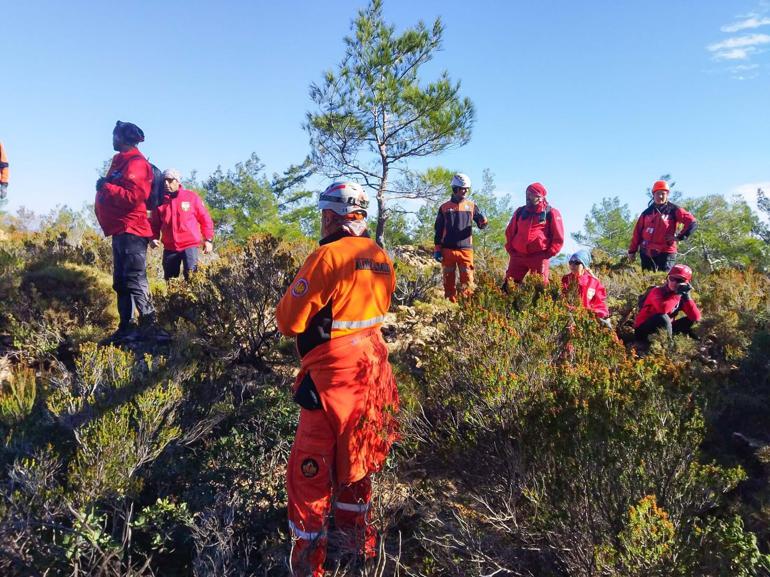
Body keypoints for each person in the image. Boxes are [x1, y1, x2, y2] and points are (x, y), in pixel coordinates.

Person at [275, 181, 399, 576]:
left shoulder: (326, 257)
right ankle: (358, 549)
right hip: (373, 374)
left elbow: (287, 321)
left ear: (331, 215)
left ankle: (310, 566)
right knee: (357, 464)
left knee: (309, 476)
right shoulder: (380, 256)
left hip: (330, 383)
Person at [95, 121, 168, 344]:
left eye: (114, 135)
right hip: (120, 229)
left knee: (135, 279)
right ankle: (126, 327)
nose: (112, 139)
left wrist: (105, 188)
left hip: (133, 229)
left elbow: (133, 197)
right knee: (121, 281)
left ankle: (150, 326)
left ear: (122, 138)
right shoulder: (120, 161)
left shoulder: (136, 164)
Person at [150, 168, 214, 280]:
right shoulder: (160, 202)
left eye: (170, 180)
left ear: (177, 181)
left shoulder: (191, 197)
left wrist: (208, 240)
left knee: (192, 279)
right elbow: (154, 224)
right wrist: (153, 238)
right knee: (170, 282)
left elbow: (205, 219)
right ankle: (173, 298)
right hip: (170, 247)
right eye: (164, 181)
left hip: (189, 246)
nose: (166, 183)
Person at [433, 173, 488, 301]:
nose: (465, 191)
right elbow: (438, 230)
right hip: (447, 250)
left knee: (468, 281)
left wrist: (483, 221)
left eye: (467, 189)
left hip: (466, 251)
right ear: (455, 188)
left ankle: (466, 307)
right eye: (462, 189)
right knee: (448, 281)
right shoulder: (444, 207)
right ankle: (449, 306)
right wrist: (437, 249)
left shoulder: (472, 206)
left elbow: (481, 225)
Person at [627, 180, 697, 272]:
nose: (660, 196)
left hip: (666, 252)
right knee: (648, 282)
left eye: (663, 193)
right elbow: (637, 233)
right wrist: (632, 251)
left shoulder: (673, 209)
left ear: (667, 194)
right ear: (653, 194)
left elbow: (692, 222)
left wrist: (679, 237)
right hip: (646, 252)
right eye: (657, 193)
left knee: (663, 281)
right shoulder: (646, 213)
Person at [503, 182, 564, 285]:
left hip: (539, 257)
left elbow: (558, 237)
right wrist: (511, 250)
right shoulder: (520, 212)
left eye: (532, 195)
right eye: (527, 194)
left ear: (540, 197)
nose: (528, 197)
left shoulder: (551, 213)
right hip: (518, 256)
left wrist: (547, 254)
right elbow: (510, 232)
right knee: (509, 286)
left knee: (539, 288)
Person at [634, 264, 701, 343]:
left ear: (686, 283)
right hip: (643, 331)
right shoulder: (657, 291)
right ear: (667, 278)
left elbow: (696, 317)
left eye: (680, 280)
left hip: (664, 329)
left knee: (691, 321)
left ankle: (697, 344)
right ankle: (668, 346)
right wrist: (677, 295)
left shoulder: (682, 296)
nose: (674, 282)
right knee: (662, 317)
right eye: (672, 278)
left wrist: (687, 296)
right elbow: (663, 309)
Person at [561, 249, 610, 327]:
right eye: (570, 262)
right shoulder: (565, 279)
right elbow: (561, 299)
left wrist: (600, 314)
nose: (572, 265)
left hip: (588, 318)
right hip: (569, 314)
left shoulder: (593, 282)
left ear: (584, 265)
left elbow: (599, 303)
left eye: (577, 262)